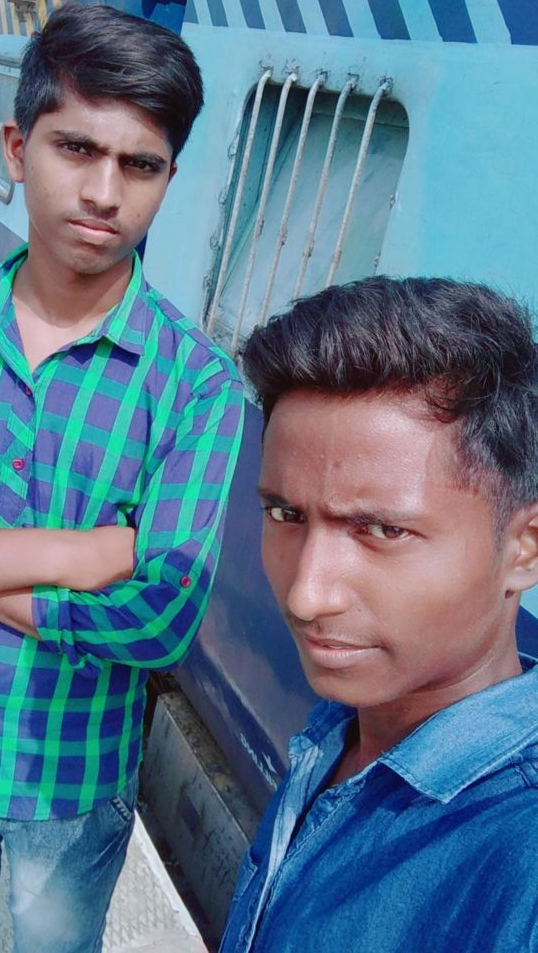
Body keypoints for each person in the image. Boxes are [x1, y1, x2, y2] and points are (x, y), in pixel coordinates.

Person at [0, 3, 243, 953]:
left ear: (169, 179)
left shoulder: (196, 386)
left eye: (140, 165)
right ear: (17, 149)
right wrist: (83, 554)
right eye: (76, 148)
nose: (103, 192)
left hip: (70, 781)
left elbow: (160, 617)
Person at [220, 277, 538, 953]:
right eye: (286, 514)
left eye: (383, 530)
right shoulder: (342, 731)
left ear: (524, 549)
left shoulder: (519, 859)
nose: (306, 595)